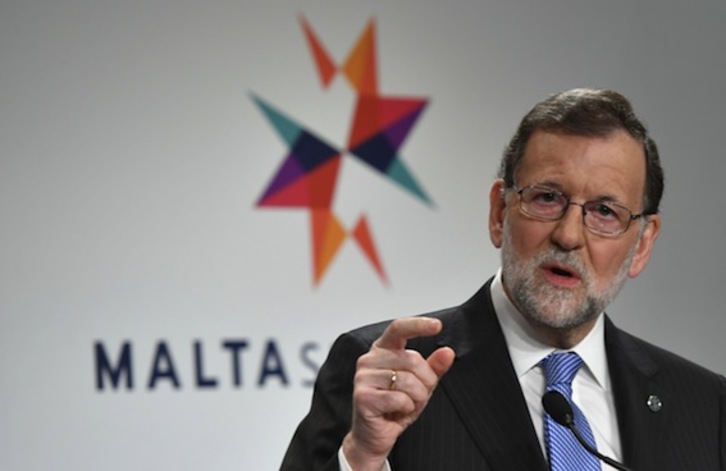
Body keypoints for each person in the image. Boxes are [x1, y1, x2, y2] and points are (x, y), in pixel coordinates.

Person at [279, 88, 726, 470]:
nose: (569, 235)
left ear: (643, 242)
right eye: (547, 198)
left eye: (605, 212)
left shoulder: (705, 405)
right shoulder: (388, 375)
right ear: (499, 212)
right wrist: (361, 456)